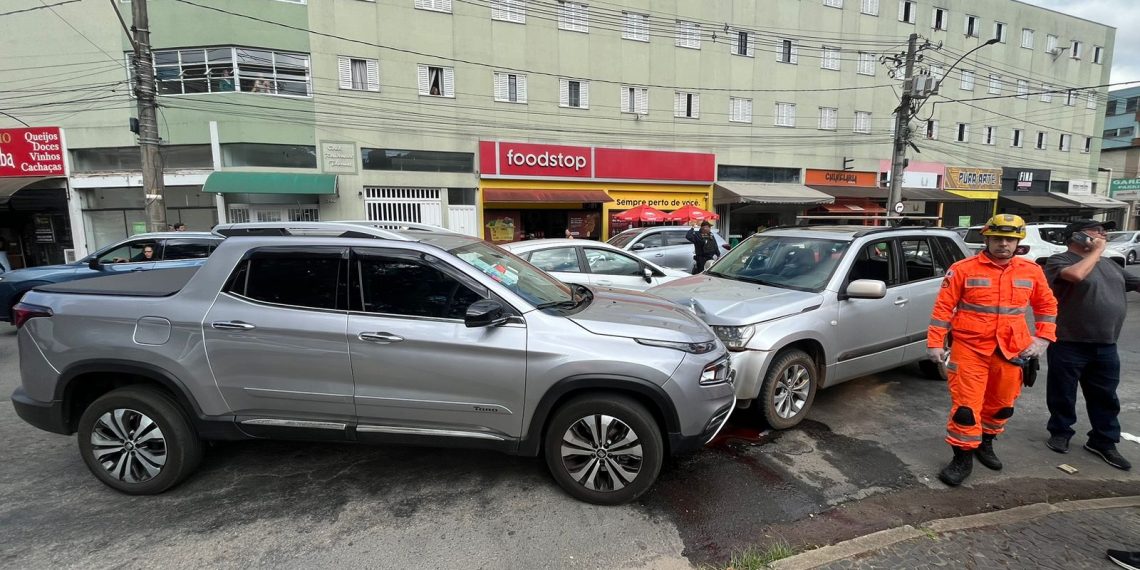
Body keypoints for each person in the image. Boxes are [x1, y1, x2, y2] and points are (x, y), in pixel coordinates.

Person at [926, 214, 1058, 486]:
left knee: (1002, 406)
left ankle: (985, 442)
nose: (1003, 244)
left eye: (1010, 239)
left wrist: (1043, 338)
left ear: (1018, 242)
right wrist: (935, 342)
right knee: (966, 409)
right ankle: (962, 457)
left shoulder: (1031, 271)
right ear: (987, 239)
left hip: (1011, 350)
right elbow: (943, 308)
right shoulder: (962, 269)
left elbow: (1046, 305)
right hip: (970, 348)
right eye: (998, 238)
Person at [1043, 219, 1140, 471]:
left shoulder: (1109, 264)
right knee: (1063, 393)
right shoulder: (1059, 261)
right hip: (1069, 341)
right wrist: (1097, 251)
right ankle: (1060, 432)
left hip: (1106, 344)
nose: (1103, 235)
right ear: (1076, 236)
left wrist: (1098, 253)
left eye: (1104, 232)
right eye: (1096, 231)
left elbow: (1135, 283)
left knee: (1106, 396)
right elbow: (1076, 276)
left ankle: (1103, 441)